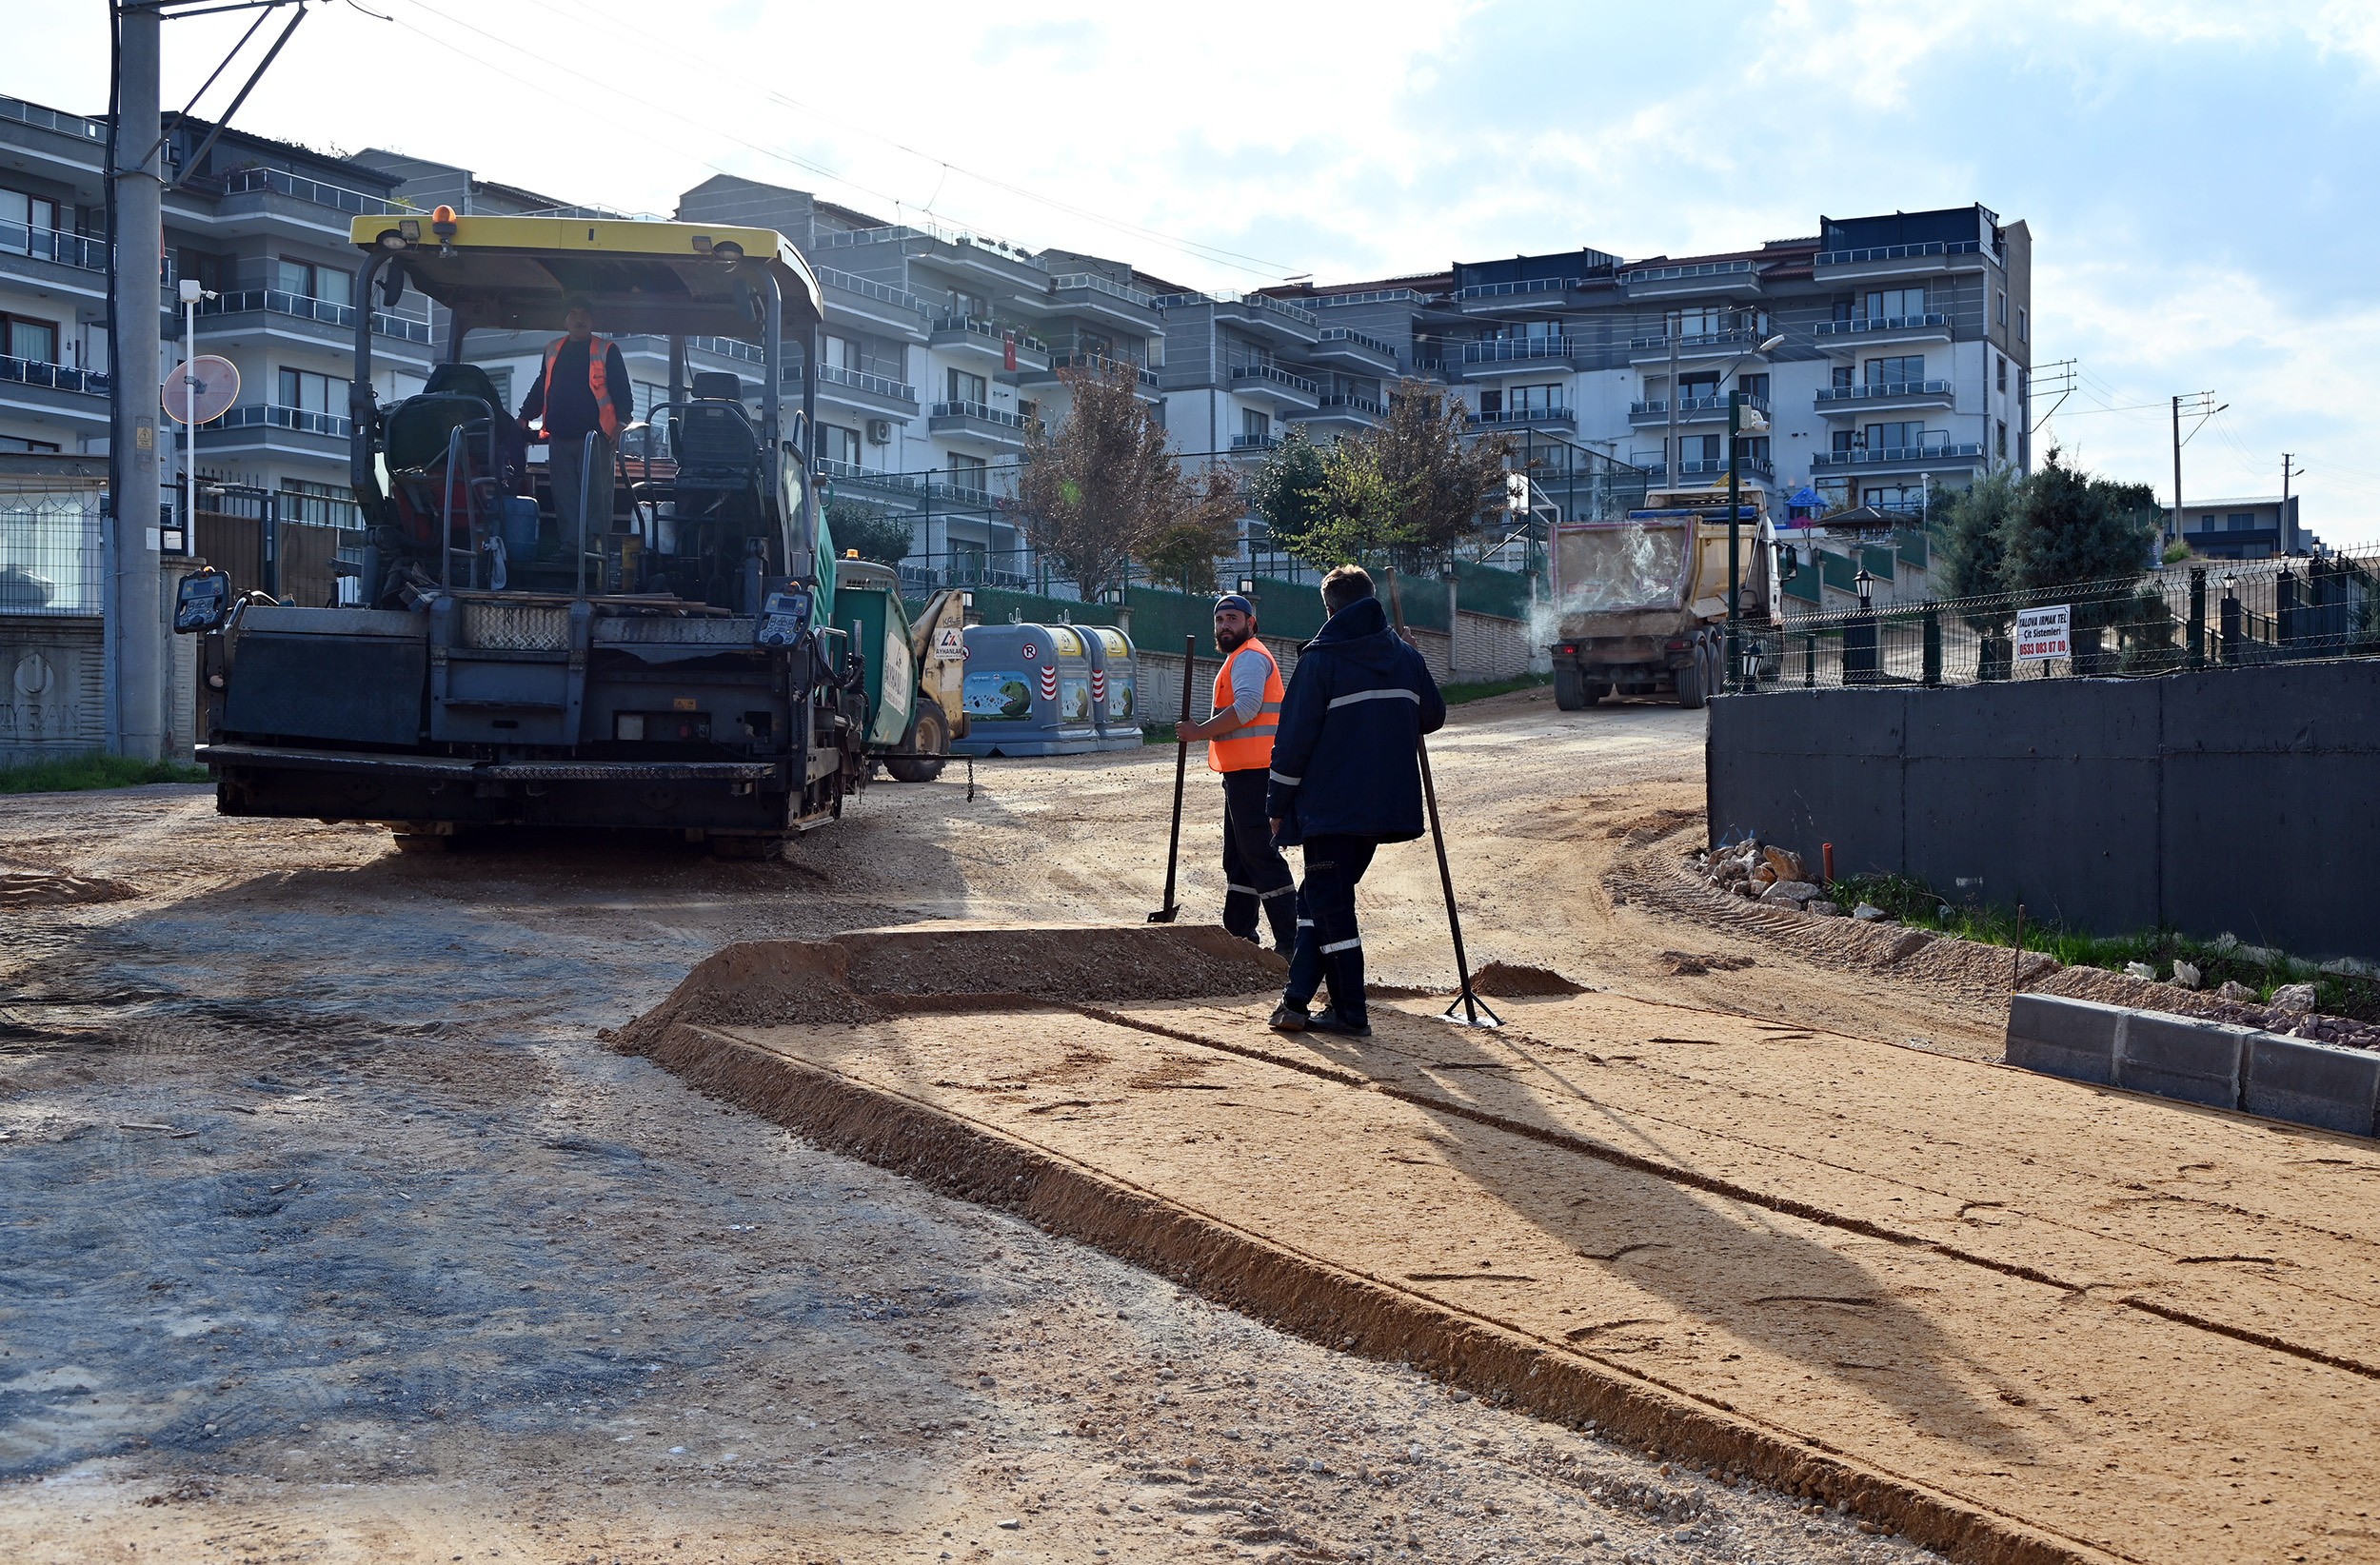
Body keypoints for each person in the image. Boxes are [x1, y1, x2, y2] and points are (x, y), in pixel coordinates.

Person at [1264, 565, 1445, 1037]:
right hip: (1385, 807)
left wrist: (1276, 805)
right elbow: (1432, 715)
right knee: (1321, 897)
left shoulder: (1321, 661)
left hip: (1332, 808)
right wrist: (1414, 663)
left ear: (1330, 610)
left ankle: (1350, 1011)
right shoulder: (1406, 657)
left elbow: (1293, 740)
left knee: (1331, 905)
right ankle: (1296, 1001)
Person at [1175, 593, 1295, 951]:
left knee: (1259, 854)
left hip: (1258, 774)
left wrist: (1199, 732)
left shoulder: (1250, 658)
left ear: (1250, 623)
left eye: (1233, 619)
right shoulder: (1239, 659)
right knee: (1240, 859)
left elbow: (1246, 707)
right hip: (1243, 774)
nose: (1225, 626)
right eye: (1220, 620)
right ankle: (1240, 938)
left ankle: (1293, 943)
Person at [518, 296, 634, 546]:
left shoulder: (607, 350)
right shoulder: (552, 349)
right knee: (565, 498)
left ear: (592, 321)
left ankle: (597, 551)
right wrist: (524, 417)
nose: (579, 319)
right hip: (559, 437)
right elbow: (541, 386)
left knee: (596, 497)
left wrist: (621, 423)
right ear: (565, 321)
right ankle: (570, 547)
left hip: (595, 438)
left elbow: (622, 390)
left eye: (584, 314)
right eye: (573, 313)